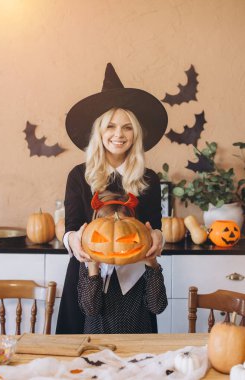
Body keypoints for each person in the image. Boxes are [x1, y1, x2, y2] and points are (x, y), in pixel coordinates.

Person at [56, 62, 168, 334]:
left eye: (127, 128)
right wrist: (73, 240)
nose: (119, 135)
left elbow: (155, 227)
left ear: (136, 134)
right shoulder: (79, 176)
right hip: (88, 276)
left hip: (135, 283)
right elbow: (71, 226)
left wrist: (158, 239)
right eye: (111, 127)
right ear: (100, 131)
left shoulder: (149, 178)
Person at [78, 190, 168, 334]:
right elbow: (90, 309)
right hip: (97, 343)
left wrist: (152, 264)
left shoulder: (143, 263)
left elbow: (157, 306)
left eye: (124, 236)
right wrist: (93, 269)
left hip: (138, 343)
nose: (114, 242)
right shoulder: (88, 264)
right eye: (104, 237)